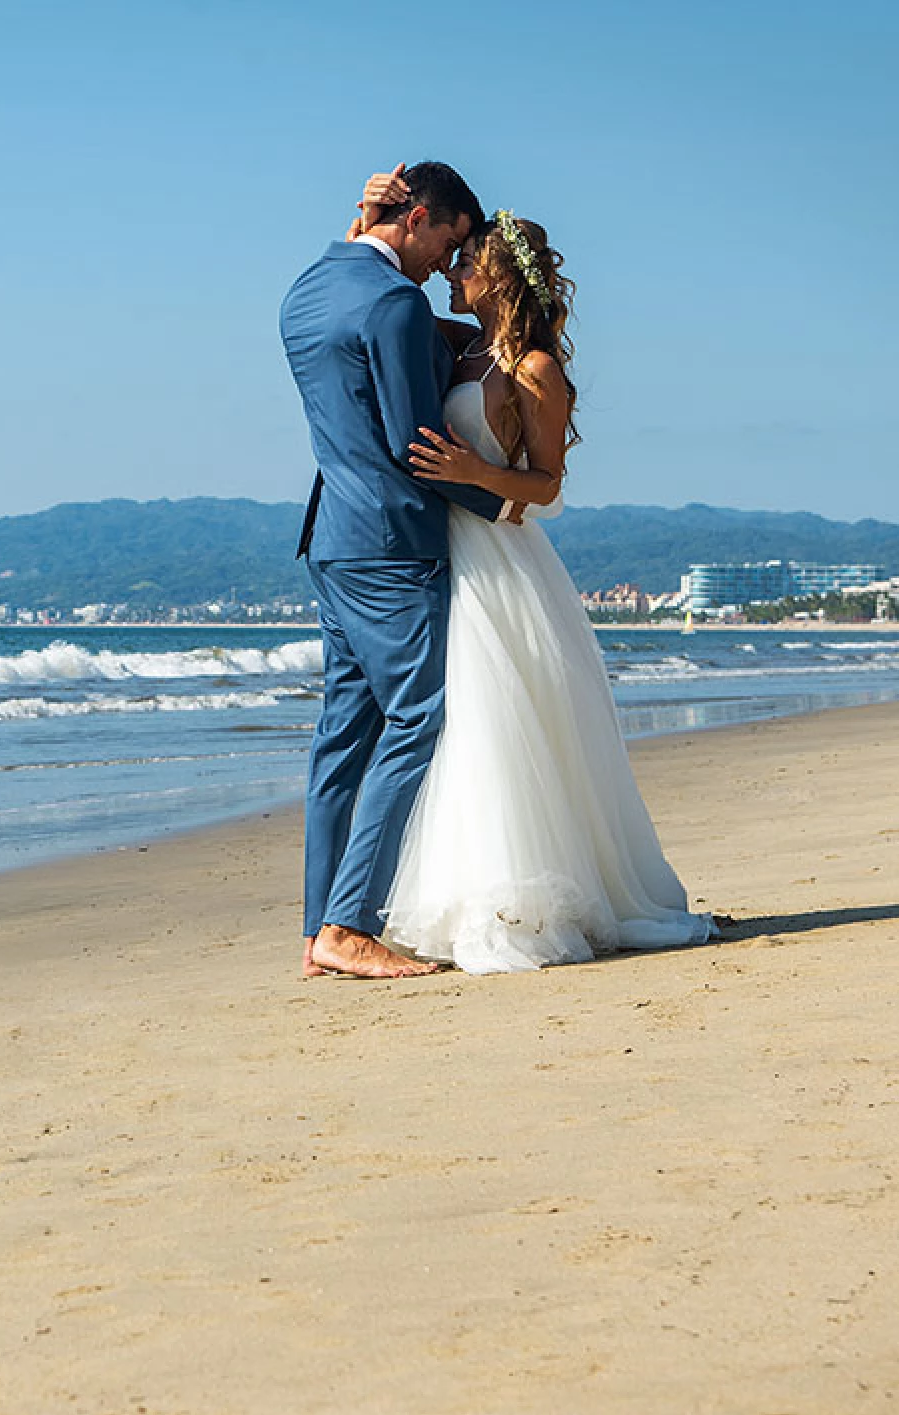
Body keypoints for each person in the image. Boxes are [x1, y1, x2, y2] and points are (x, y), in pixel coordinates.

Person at [353, 172, 713, 971]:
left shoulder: (537, 368)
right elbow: (372, 294)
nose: (449, 273)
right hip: (445, 552)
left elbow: (546, 488)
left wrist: (475, 474)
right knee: (460, 726)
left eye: (464, 265)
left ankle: (518, 900)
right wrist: (364, 219)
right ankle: (465, 890)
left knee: (491, 720)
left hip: (502, 561)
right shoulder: (455, 342)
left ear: (499, 276)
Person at [278, 161, 511, 979]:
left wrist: (363, 216)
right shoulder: (395, 304)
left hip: (331, 540)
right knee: (417, 719)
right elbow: (421, 446)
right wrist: (510, 509)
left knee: (343, 740)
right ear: (417, 218)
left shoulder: (310, 287)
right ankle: (348, 926)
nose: (442, 266)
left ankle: (319, 932)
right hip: (390, 543)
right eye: (444, 243)